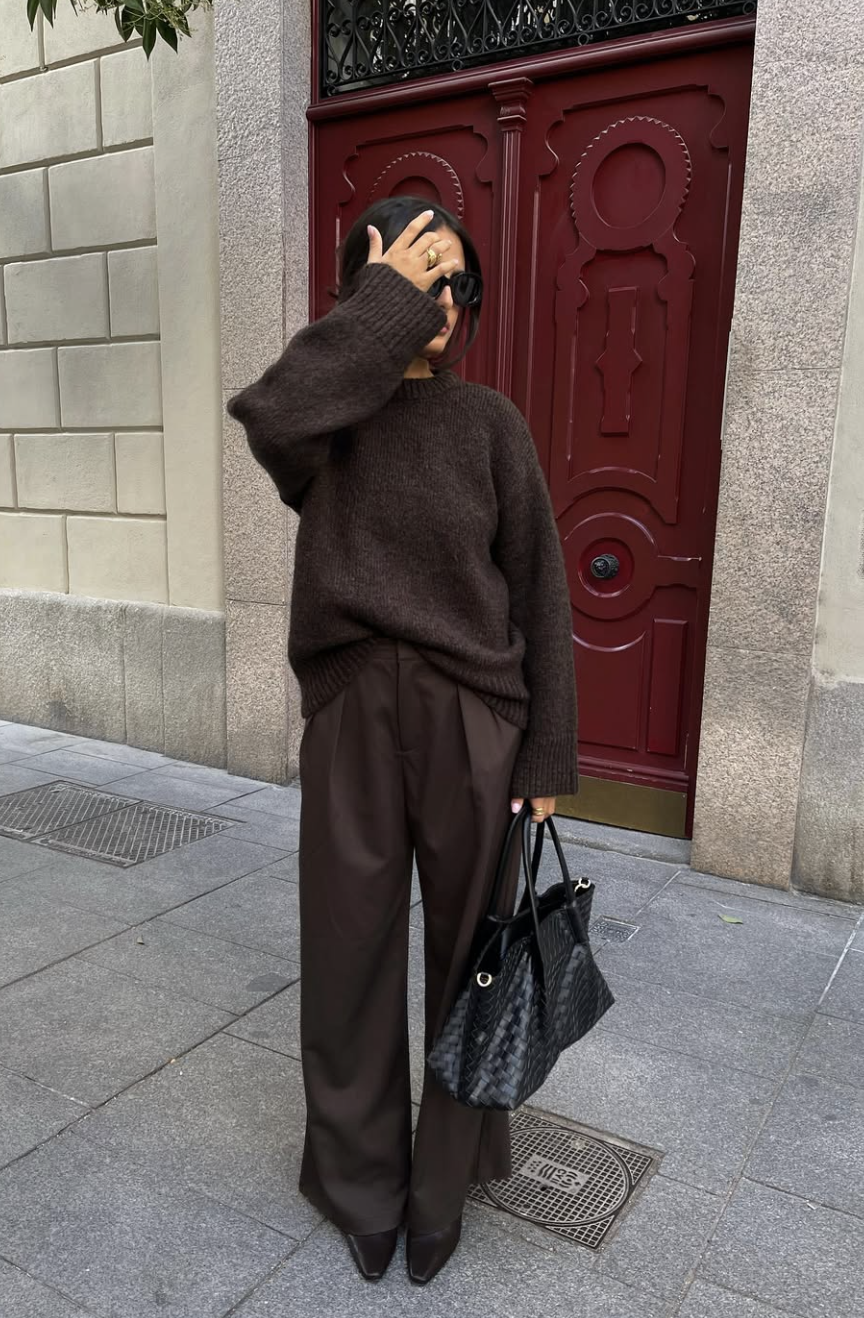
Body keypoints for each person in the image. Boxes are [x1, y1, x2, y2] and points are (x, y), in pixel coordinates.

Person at [226, 197, 578, 1285]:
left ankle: (441, 1192)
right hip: (351, 716)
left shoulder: (491, 427)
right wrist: (376, 310)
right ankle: (359, 1185)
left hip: (474, 717)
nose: (443, 301)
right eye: (423, 276)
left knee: (472, 963)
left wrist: (545, 761)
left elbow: (539, 596)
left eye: (456, 282)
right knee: (346, 958)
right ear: (369, 283)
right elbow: (265, 412)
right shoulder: (324, 422)